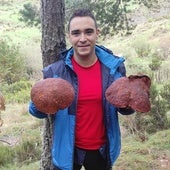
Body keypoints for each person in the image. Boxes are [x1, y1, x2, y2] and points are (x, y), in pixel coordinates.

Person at [29, 8, 134, 170]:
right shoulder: (55, 72)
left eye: (88, 32)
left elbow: (124, 108)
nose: (83, 38)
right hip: (67, 151)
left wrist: (129, 105)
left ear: (97, 33)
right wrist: (40, 101)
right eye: (76, 33)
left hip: (101, 150)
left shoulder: (113, 68)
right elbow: (36, 111)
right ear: (69, 36)